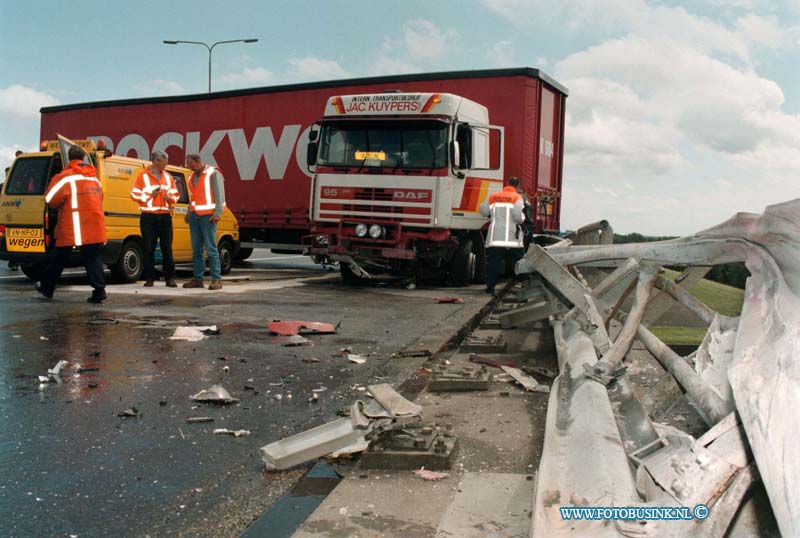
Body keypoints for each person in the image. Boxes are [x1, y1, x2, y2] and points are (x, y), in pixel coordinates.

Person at [36, 145, 107, 303]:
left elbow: (51, 200)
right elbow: (100, 197)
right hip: (94, 224)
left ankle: (47, 288)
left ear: (69, 158)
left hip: (73, 226)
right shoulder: (94, 178)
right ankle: (99, 290)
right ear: (83, 159)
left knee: (59, 258)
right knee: (93, 258)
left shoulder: (65, 177)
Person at [130, 150, 180, 287]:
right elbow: (134, 195)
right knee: (148, 248)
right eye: (165, 163)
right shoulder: (142, 176)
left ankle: (170, 278)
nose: (166, 165)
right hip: (148, 216)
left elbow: (176, 195)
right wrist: (150, 196)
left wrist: (170, 199)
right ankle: (149, 278)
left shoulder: (168, 177)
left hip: (164, 216)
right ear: (156, 161)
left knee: (167, 248)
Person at [183, 153, 225, 290]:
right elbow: (194, 197)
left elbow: (220, 195)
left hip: (208, 216)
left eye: (192, 165)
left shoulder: (213, 174)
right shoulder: (191, 176)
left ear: (199, 161)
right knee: (197, 249)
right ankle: (198, 279)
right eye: (189, 166)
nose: (191, 168)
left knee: (211, 248)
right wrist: (189, 212)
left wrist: (218, 213)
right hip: (195, 216)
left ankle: (216, 279)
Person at [480, 176, 526, 296]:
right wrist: (523, 218)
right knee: (520, 262)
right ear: (517, 186)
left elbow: (484, 211)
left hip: (496, 238)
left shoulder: (493, 196)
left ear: (506, 183)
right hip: (512, 239)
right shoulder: (517, 197)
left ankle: (490, 288)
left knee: (493, 263)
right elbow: (517, 216)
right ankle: (524, 285)